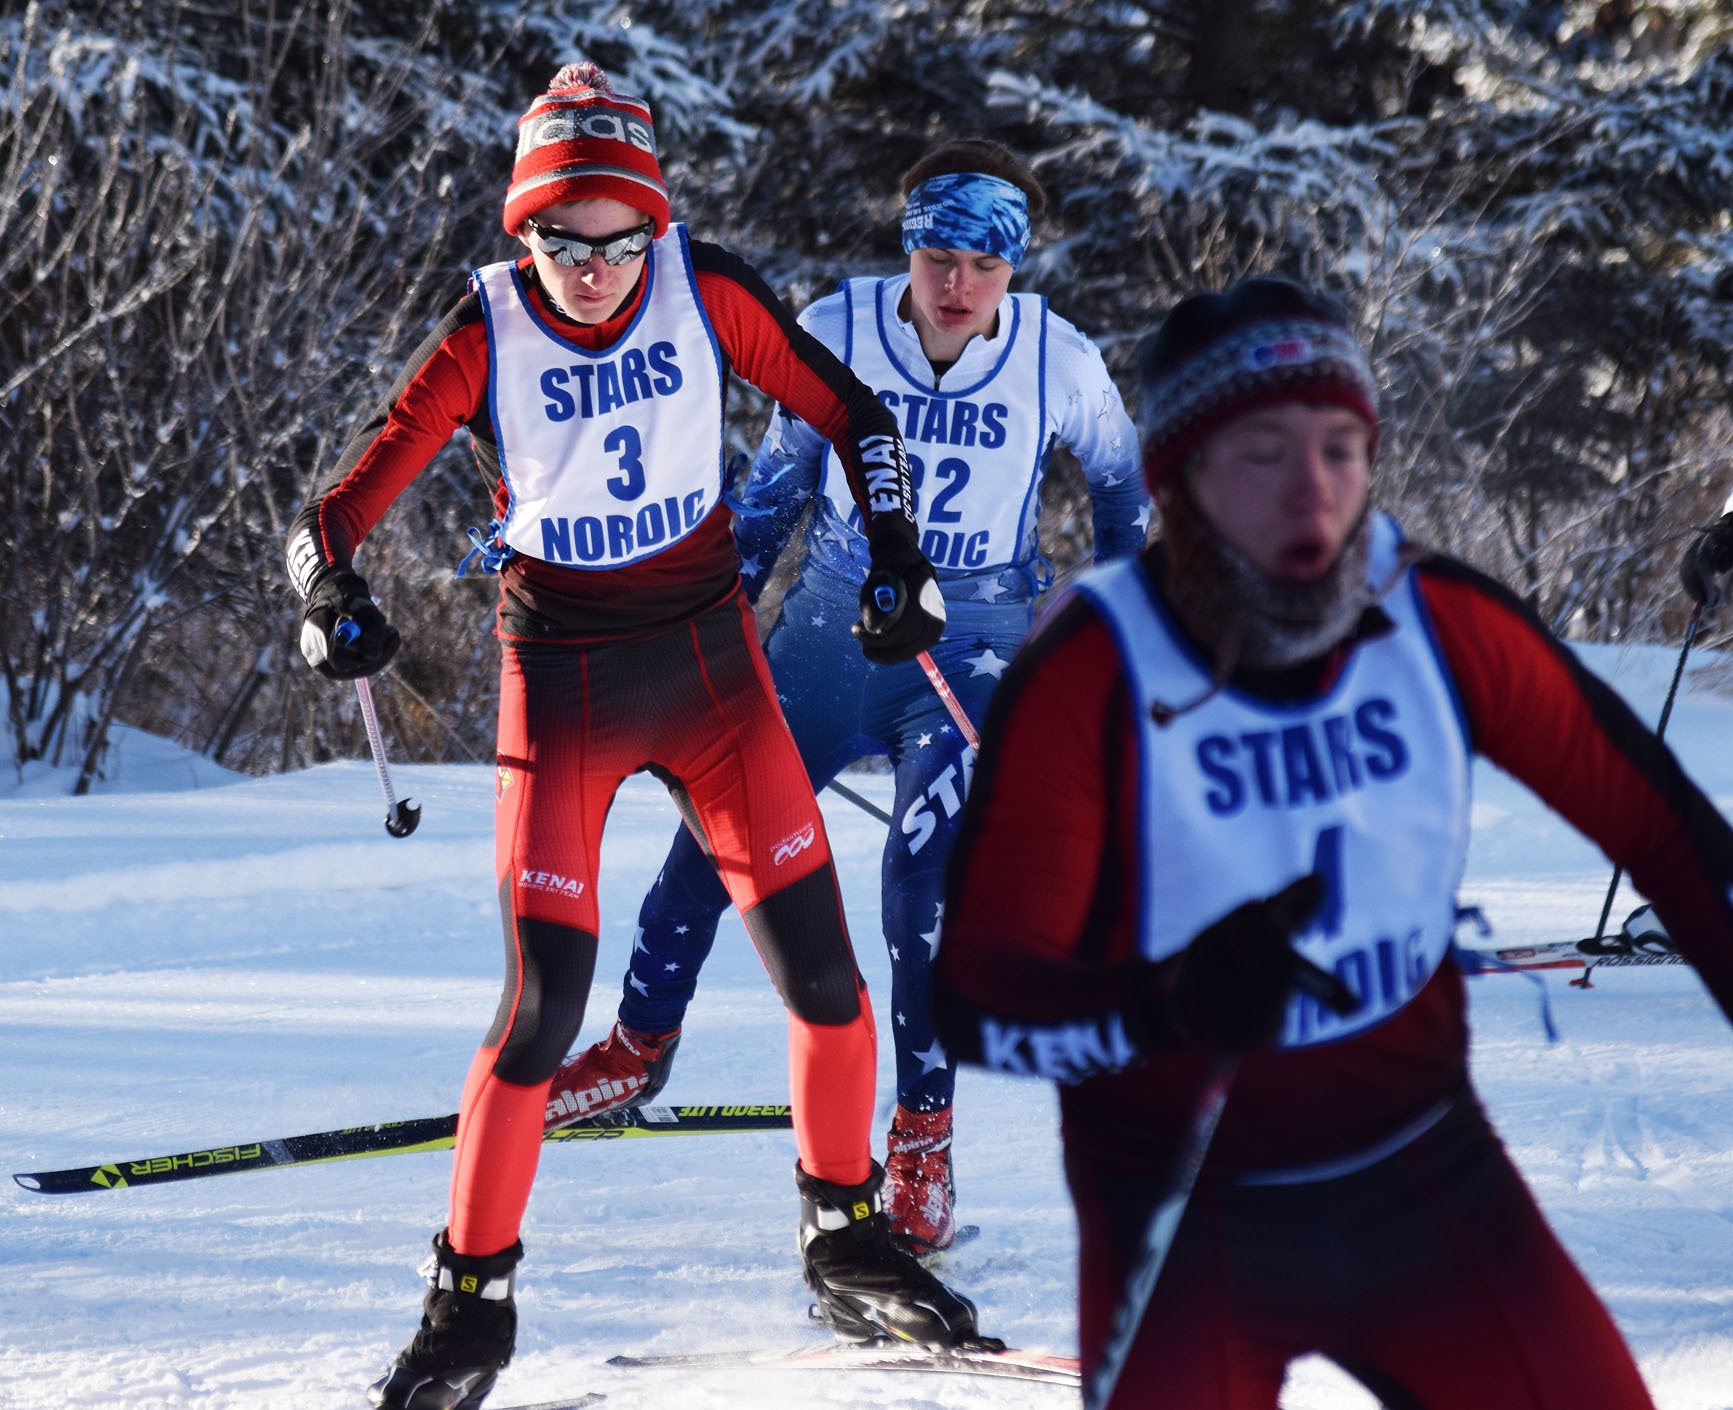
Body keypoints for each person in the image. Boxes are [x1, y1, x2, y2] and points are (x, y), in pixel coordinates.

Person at [284, 63, 985, 1410]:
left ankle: (844, 1238)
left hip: (711, 669)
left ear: (654, 226)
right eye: (563, 241)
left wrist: (898, 551)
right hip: (564, 686)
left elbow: (858, 414)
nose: (595, 270)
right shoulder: (484, 331)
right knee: (542, 1007)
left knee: (828, 986)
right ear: (522, 231)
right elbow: (329, 515)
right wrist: (331, 598)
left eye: (619, 240)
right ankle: (465, 1309)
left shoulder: (701, 286)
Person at [929, 276, 1733, 1407]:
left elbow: (1665, 830)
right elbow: (976, 993)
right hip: (1184, 1213)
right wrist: (1169, 1004)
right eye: (1261, 452)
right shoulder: (1091, 675)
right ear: (1178, 480)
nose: (1312, 494)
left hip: (1425, 1178)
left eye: (1340, 448)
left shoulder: (1434, 617)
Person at [542, 138, 1148, 1254]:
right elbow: (771, 490)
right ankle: (635, 1046)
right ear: (906, 245)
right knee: (711, 844)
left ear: (1012, 263)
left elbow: (1122, 493)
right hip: (825, 634)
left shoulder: (1058, 359)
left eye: (982, 260)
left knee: (917, 884)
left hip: (964, 655)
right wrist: (695, 622)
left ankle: (921, 1134)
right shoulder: (839, 325)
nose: (956, 283)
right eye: (935, 254)